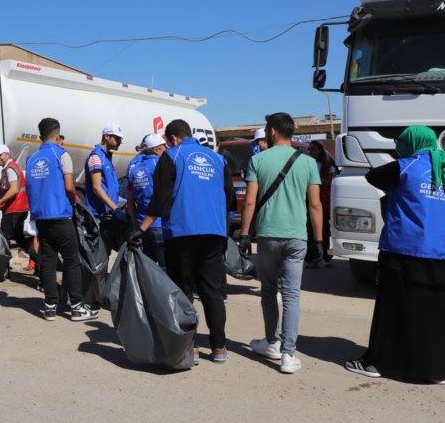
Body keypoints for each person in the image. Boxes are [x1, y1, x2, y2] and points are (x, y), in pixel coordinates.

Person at [346, 125, 445, 384]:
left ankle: (378, 363)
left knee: (394, 310)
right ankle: (442, 369)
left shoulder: (405, 166)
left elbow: (373, 177)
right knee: (439, 312)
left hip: (405, 250)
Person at [129, 119, 236, 364]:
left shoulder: (172, 157)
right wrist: (225, 232)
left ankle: (191, 348)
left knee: (184, 292)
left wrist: (142, 229)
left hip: (182, 234)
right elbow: (230, 199)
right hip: (214, 234)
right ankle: (219, 348)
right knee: (212, 293)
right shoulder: (218, 159)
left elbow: (160, 199)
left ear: (172, 138)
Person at [239, 113, 322, 374]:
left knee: (268, 290)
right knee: (291, 295)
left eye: (266, 129)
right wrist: (319, 240)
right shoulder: (308, 162)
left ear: (273, 131)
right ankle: (288, 355)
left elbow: (250, 202)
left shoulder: (258, 160)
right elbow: (315, 205)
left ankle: (272, 341)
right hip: (297, 236)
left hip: (267, 235)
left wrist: (243, 235)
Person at [26, 117, 99, 322]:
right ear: (58, 136)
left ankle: (50, 306)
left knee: (47, 261)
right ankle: (76, 307)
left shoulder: (31, 160)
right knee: (71, 261)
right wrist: (74, 200)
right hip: (60, 215)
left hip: (41, 217)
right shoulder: (61, 155)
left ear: (41, 136)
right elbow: (69, 186)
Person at [0, 144, 37, 271]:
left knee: (4, 239)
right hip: (18, 208)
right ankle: (38, 259)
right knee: (19, 238)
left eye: (0, 155)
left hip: (14, 209)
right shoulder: (11, 168)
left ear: (7, 154)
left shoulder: (10, 169)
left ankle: (3, 269)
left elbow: (14, 189)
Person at [126, 133, 168, 269]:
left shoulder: (134, 169)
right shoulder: (162, 165)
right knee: (166, 270)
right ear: (156, 150)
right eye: (163, 148)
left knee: (147, 272)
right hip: (161, 226)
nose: (166, 151)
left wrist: (137, 226)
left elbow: (130, 202)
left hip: (141, 227)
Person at [85, 123, 127, 249]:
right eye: (117, 138)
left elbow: (107, 187)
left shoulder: (106, 157)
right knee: (99, 252)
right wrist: (115, 208)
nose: (120, 141)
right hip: (100, 215)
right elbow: (97, 188)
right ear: (107, 136)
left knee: (105, 250)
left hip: (107, 213)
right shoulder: (96, 157)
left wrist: (120, 200)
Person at [305, 140, 336, 265]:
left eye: (313, 148)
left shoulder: (328, 164)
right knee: (309, 229)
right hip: (309, 200)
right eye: (309, 149)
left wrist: (316, 178)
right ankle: (312, 257)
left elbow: (331, 183)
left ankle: (325, 257)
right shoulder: (306, 164)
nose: (310, 151)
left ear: (319, 150)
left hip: (324, 202)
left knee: (324, 230)